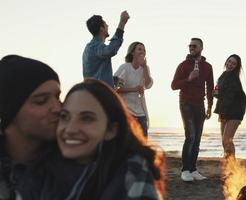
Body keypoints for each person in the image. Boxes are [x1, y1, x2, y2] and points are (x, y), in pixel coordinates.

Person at [39, 79, 165, 200]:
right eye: (64, 116)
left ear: (111, 130)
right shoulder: (40, 169)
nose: (70, 129)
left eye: (87, 118)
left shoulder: (132, 174)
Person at [0, 55, 61, 199]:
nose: (58, 108)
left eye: (58, 97)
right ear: (10, 110)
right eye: (41, 101)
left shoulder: (78, 165)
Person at [171, 38, 214, 182]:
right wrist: (188, 79)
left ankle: (193, 169)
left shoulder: (208, 66)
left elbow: (210, 88)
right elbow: (174, 85)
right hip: (186, 103)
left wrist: (209, 107)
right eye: (189, 46)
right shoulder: (183, 65)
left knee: (197, 139)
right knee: (190, 136)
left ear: (201, 47)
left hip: (200, 105)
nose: (191, 48)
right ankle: (185, 170)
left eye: (194, 46)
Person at [114, 42, 153, 137]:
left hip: (141, 112)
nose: (142, 51)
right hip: (126, 111)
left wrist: (144, 68)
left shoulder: (145, 68)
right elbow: (115, 88)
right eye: (139, 49)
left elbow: (148, 85)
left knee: (143, 144)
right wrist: (134, 89)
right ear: (132, 53)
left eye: (144, 50)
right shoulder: (125, 68)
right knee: (126, 144)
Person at [82, 11, 130, 87]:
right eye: (105, 24)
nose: (108, 25)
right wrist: (122, 23)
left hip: (94, 92)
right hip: (98, 94)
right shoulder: (93, 47)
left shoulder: (90, 48)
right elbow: (111, 50)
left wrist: (112, 80)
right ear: (101, 29)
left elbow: (95, 73)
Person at [213, 54, 246, 159]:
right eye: (229, 61)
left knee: (227, 140)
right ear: (226, 61)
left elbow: (239, 97)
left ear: (237, 67)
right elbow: (221, 95)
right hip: (224, 111)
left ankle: (233, 167)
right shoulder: (223, 76)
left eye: (234, 64)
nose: (230, 64)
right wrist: (215, 93)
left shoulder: (234, 79)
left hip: (235, 112)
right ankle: (229, 166)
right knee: (224, 141)